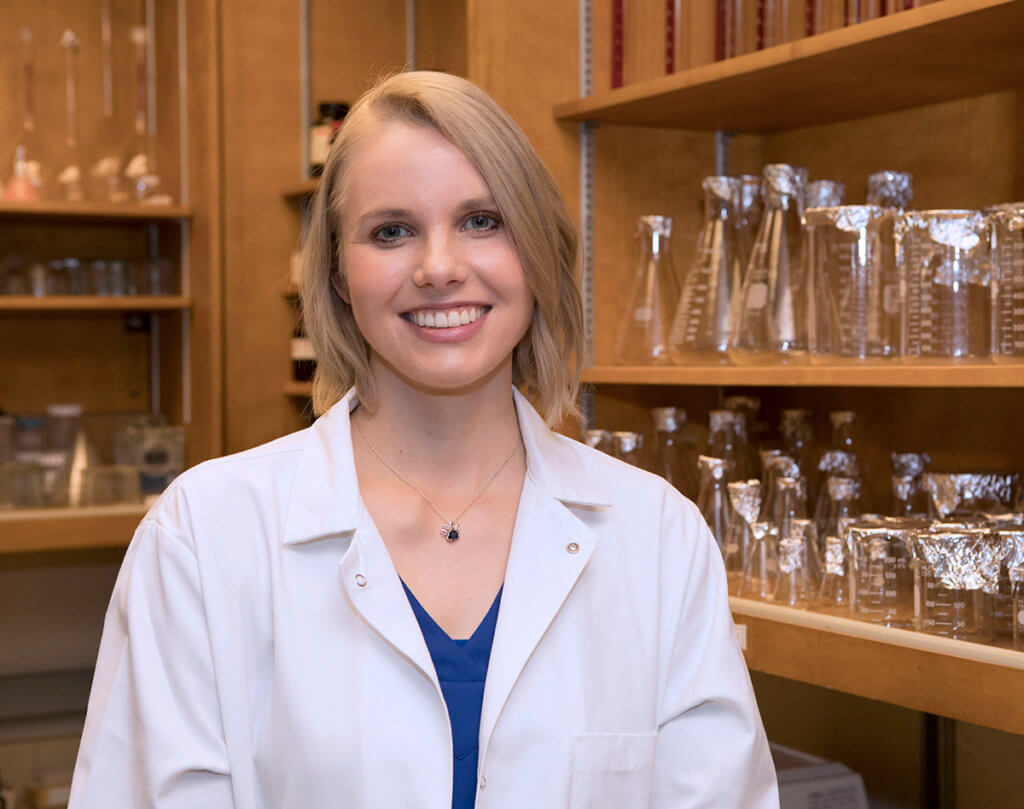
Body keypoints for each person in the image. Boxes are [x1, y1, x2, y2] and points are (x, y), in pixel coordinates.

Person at [69, 71, 778, 809]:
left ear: (536, 252)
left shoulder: (658, 538)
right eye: (392, 231)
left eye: (482, 220)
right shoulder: (203, 535)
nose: (440, 268)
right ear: (340, 274)